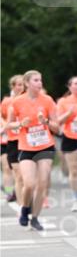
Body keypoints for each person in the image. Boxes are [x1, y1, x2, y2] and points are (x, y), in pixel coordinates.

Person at [7, 70, 59, 230]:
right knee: (29, 183)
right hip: (26, 147)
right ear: (27, 83)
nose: (40, 83)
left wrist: (46, 122)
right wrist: (21, 124)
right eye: (36, 80)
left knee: (42, 183)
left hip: (45, 146)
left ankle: (35, 217)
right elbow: (9, 124)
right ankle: (24, 209)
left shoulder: (48, 100)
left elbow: (57, 127)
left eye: (40, 80)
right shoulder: (17, 102)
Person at [57, 75, 77, 211]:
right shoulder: (63, 101)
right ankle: (76, 199)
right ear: (69, 87)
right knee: (74, 170)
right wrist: (69, 113)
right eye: (75, 83)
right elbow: (58, 121)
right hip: (70, 138)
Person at [1, 75, 25, 205]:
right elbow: (1, 117)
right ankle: (10, 192)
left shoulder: (28, 100)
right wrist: (6, 126)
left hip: (26, 141)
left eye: (23, 85)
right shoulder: (6, 102)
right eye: (19, 85)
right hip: (8, 139)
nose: (21, 87)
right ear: (13, 87)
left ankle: (27, 199)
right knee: (7, 168)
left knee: (24, 175)